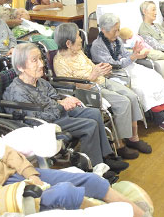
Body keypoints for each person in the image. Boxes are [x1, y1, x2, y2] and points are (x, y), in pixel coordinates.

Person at [3, 43, 128, 172]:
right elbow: (35, 119)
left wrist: (66, 100)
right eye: (34, 60)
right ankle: (92, 168)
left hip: (56, 113)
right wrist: (61, 105)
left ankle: (105, 156)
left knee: (94, 113)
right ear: (20, 67)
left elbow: (55, 96)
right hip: (45, 124)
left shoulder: (39, 81)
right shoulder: (17, 92)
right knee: (90, 125)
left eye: (40, 59)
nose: (41, 64)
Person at [53, 23, 152, 156]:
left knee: (132, 96)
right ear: (68, 43)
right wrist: (93, 76)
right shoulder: (60, 62)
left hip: (101, 80)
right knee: (123, 102)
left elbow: (90, 65)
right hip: (88, 90)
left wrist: (102, 68)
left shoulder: (78, 52)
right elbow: (72, 87)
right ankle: (119, 144)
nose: (81, 39)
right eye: (78, 36)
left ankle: (133, 138)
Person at [91, 13, 164, 135]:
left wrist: (135, 54)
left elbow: (125, 54)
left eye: (118, 30)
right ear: (103, 30)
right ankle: (162, 119)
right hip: (116, 74)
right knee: (144, 87)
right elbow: (112, 65)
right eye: (114, 31)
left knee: (155, 78)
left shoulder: (116, 40)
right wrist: (132, 57)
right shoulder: (97, 46)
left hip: (129, 67)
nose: (117, 34)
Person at [0, 141, 147, 217]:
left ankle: (141, 216)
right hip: (1, 193)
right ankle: (122, 214)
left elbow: (8, 152)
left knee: (92, 179)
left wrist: (31, 174)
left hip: (15, 171)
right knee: (66, 192)